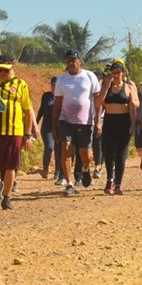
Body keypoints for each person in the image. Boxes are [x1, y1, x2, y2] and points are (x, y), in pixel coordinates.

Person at [0, 55, 35, 210]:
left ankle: (7, 197)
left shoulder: (21, 85)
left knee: (10, 166)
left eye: (6, 70)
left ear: (12, 68)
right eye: (0, 69)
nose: (3, 73)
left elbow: (27, 111)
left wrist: (28, 134)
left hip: (14, 132)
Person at [52, 49, 101, 197]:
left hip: (85, 121)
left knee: (85, 153)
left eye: (73, 60)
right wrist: (54, 126)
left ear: (80, 61)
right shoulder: (61, 80)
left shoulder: (89, 76)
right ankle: (69, 183)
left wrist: (98, 122)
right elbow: (57, 104)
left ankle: (85, 168)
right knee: (66, 148)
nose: (71, 63)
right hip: (65, 120)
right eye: (68, 61)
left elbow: (97, 102)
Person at [95, 61, 139, 195]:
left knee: (121, 154)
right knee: (108, 152)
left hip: (123, 121)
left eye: (118, 73)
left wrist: (132, 125)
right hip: (109, 121)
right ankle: (110, 179)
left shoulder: (129, 87)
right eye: (113, 73)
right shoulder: (106, 87)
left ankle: (118, 183)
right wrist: (106, 86)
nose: (115, 75)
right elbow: (98, 103)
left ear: (123, 73)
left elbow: (133, 107)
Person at [36, 76, 59, 180]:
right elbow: (41, 110)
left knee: (59, 150)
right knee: (49, 147)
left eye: (56, 85)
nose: (53, 87)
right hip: (47, 126)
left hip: (59, 126)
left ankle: (58, 172)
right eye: (52, 85)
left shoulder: (63, 96)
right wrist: (35, 123)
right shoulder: (46, 96)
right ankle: (45, 169)